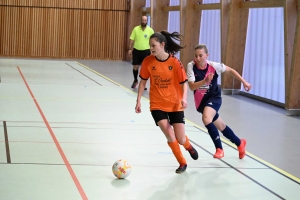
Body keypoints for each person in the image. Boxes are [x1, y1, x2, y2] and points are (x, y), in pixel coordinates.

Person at [135, 31, 198, 174]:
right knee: (170, 134)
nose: (151, 48)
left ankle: (188, 145)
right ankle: (182, 163)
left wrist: (184, 98)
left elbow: (184, 82)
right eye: (150, 46)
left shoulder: (175, 62)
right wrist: (138, 100)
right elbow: (143, 82)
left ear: (162, 45)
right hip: (157, 104)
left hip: (175, 104)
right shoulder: (147, 61)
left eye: (154, 45)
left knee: (180, 138)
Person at [186, 44, 252, 159]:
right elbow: (192, 87)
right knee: (221, 126)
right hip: (201, 102)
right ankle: (240, 143)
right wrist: (205, 81)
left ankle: (219, 149)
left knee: (206, 118)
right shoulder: (191, 66)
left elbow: (230, 70)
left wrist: (244, 82)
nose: (198, 58)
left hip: (214, 98)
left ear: (207, 55)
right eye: (196, 56)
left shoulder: (214, 66)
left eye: (201, 56)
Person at [128, 16, 154, 89]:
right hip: (136, 50)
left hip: (146, 51)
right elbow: (132, 39)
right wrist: (129, 49)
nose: (144, 22)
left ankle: (143, 83)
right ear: (141, 21)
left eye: (145, 20)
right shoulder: (136, 29)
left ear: (147, 21)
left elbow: (153, 41)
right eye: (143, 20)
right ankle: (135, 80)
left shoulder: (150, 30)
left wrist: (153, 51)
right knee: (135, 66)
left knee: (144, 68)